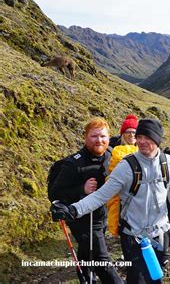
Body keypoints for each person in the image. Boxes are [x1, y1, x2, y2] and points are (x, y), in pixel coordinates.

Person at [51, 118, 170, 284]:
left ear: (157, 139)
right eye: (139, 137)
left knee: (155, 277)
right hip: (134, 237)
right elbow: (100, 196)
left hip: (161, 234)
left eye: (147, 138)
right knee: (138, 279)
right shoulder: (126, 167)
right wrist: (73, 210)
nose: (141, 141)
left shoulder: (167, 162)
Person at [49, 117, 122, 284]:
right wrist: (81, 189)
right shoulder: (74, 163)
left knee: (88, 252)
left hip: (102, 215)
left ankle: (86, 279)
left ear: (109, 137)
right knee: (101, 259)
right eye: (94, 136)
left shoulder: (112, 155)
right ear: (85, 137)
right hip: (82, 219)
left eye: (103, 136)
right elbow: (55, 193)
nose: (99, 140)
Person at [106, 115, 139, 238]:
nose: (131, 135)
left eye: (134, 132)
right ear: (123, 134)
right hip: (122, 193)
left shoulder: (144, 150)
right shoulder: (116, 152)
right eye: (128, 132)